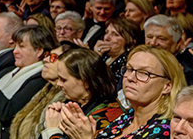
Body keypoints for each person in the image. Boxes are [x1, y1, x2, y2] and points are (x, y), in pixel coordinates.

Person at [51, 45, 184, 139]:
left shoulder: (165, 130)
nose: (130, 78)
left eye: (144, 73)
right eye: (129, 69)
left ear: (167, 86)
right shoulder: (126, 118)